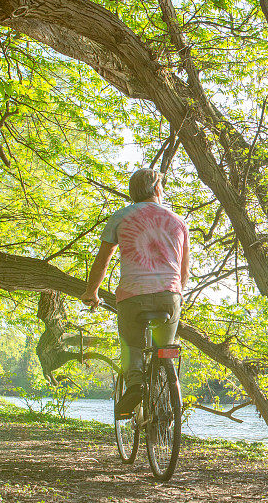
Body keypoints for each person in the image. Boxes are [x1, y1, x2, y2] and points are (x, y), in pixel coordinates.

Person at [80, 168, 190, 418]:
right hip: (169, 296)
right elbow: (183, 272)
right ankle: (169, 384)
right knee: (166, 347)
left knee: (131, 346)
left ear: (133, 193)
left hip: (132, 296)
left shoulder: (120, 217)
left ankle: (135, 385)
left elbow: (102, 262)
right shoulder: (178, 221)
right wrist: (176, 295)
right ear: (157, 190)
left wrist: (91, 292)